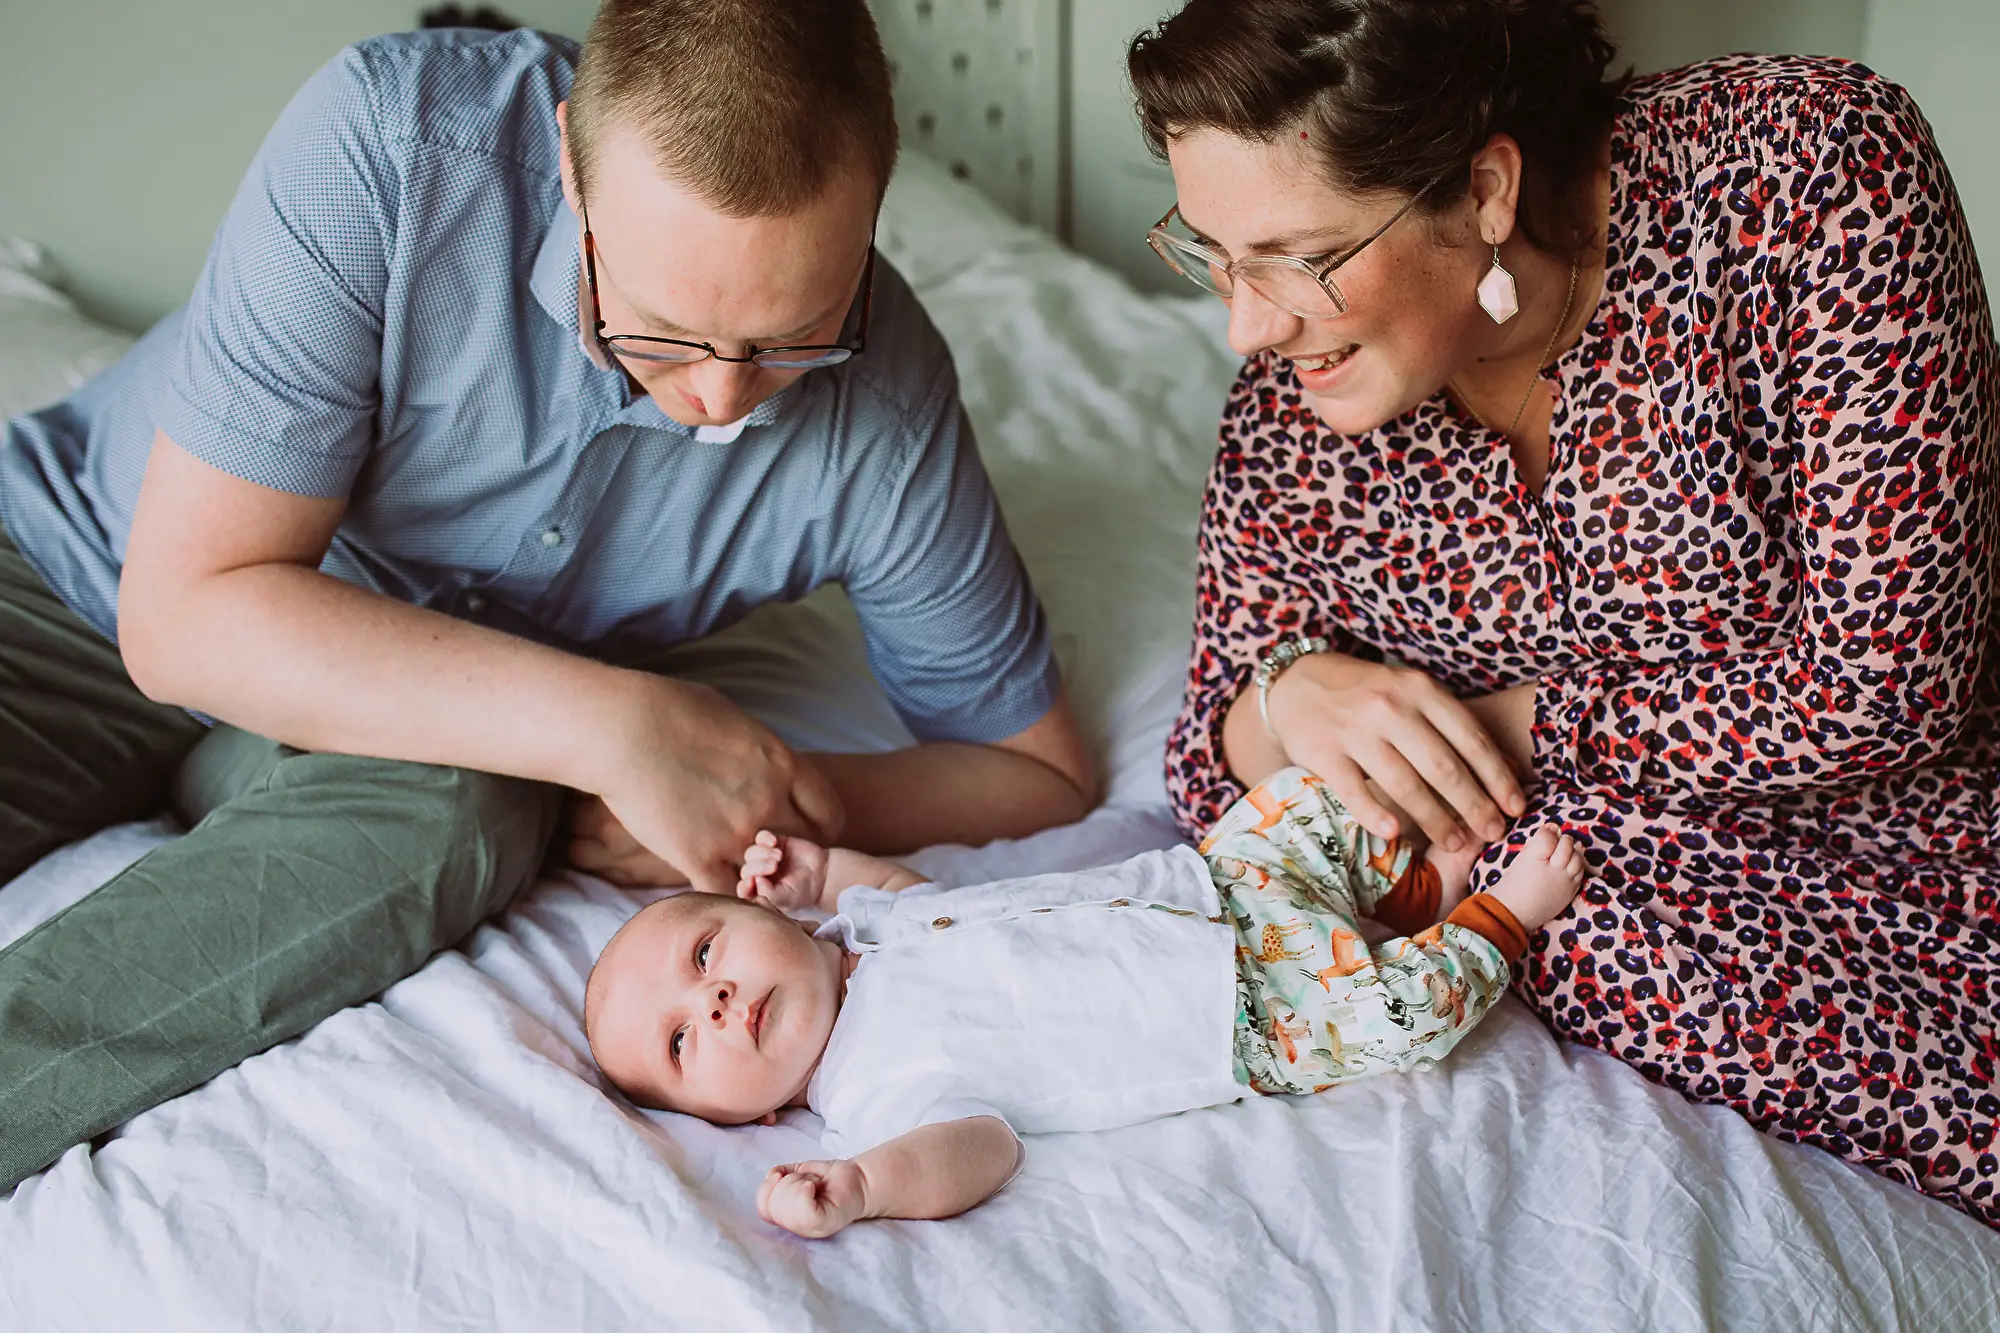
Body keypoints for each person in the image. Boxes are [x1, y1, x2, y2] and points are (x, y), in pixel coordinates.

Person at [0, 0, 1094, 1191]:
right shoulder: (392, 144)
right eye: (662, 334)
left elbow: (1034, 766)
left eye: (793, 340)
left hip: (387, 740)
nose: (721, 402)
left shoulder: (885, 411)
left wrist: (776, 798)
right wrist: (626, 724)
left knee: (475, 809)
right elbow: (184, 619)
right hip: (68, 577)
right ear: (569, 166)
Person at [1129, 0, 2000, 1226]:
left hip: (1940, 851)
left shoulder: (1803, 174)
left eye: (1302, 259)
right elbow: (1209, 770)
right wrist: (1291, 693)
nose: (1246, 322)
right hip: (1609, 906)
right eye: (1209, 250)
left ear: (1485, 190)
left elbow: (1886, 683)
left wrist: (1515, 724)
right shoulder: (1289, 414)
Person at [583, 766, 1588, 1238]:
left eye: (704, 948)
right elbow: (975, 1148)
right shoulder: (873, 1092)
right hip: (1242, 1017)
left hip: (1206, 885)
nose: (711, 999)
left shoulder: (864, 931)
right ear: (752, 1117)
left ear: (772, 923)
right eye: (680, 1040)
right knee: (1391, 1020)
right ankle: (1488, 923)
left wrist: (820, 872)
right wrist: (864, 1185)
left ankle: (1407, 890)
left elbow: (903, 892)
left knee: (1296, 801)